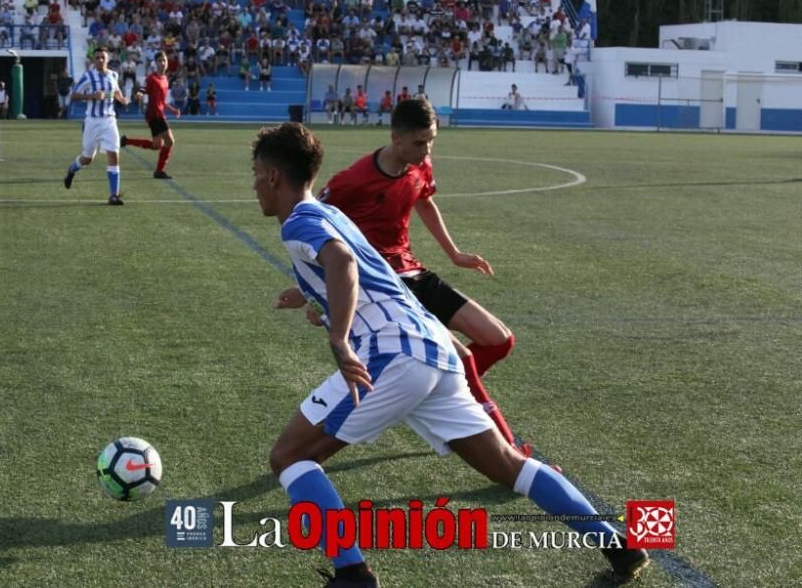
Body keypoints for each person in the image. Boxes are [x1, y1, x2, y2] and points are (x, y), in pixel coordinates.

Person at [252, 122, 650, 588]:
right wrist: (312, 294)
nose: (254, 183)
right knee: (508, 465)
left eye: (256, 172)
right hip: (435, 351)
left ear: (275, 176)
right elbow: (355, 268)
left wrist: (339, 337)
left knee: (290, 457)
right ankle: (618, 546)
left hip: (391, 355)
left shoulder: (299, 220)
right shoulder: (328, 213)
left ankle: (353, 574)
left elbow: (341, 261)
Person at [317, 97, 524, 453]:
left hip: (414, 271)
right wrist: (317, 291)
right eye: (419, 142)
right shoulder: (354, 180)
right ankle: (512, 453)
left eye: (431, 141)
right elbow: (315, 227)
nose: (426, 149)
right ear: (395, 138)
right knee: (463, 358)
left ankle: (434, 395)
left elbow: (424, 200)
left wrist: (454, 254)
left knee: (499, 339)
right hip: (384, 285)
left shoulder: (420, 164)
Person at [62, 47, 130, 205]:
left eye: (103, 57)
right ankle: (72, 170)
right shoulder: (88, 76)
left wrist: (124, 100)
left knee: (113, 154)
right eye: (97, 57)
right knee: (87, 158)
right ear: (93, 60)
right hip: (92, 121)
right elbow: (74, 95)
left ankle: (114, 195)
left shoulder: (114, 75)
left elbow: (117, 93)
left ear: (107, 59)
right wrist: (91, 96)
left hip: (109, 120)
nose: (100, 60)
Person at [119, 51, 181, 179]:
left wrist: (172, 109)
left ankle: (126, 141)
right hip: (154, 114)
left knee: (156, 145)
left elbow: (162, 100)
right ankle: (159, 171)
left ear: (167, 62)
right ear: (155, 63)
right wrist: (139, 94)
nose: (162, 63)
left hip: (158, 113)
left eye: (164, 60)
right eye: (160, 61)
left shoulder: (165, 79)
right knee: (170, 141)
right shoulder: (151, 78)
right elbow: (142, 89)